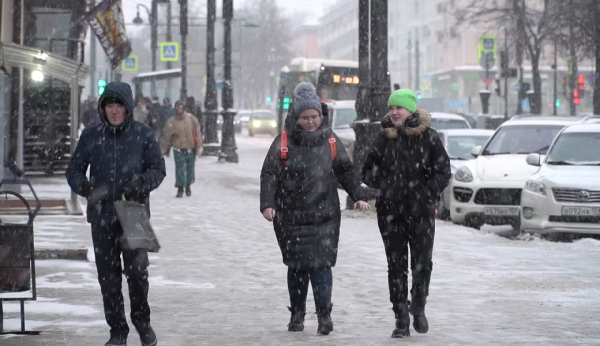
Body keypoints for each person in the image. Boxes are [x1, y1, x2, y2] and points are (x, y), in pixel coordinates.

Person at [260, 82, 370, 335]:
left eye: (314, 117)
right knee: (297, 267)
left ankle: (324, 316)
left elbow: (345, 171)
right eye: (305, 117)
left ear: (321, 116)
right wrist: (267, 204)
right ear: (296, 118)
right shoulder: (283, 141)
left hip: (325, 216)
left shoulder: (331, 140)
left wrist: (358, 195)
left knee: (322, 267)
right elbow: (269, 175)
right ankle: (297, 315)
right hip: (290, 217)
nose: (311, 122)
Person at [66, 82, 166, 346]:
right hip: (101, 216)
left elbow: (158, 169)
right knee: (108, 278)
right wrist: (86, 188)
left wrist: (141, 183)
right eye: (109, 105)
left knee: (137, 274)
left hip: (134, 214)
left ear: (128, 107)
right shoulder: (91, 135)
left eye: (119, 105)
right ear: (103, 107)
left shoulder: (143, 134)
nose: (114, 110)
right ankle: (117, 331)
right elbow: (74, 170)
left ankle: (142, 323)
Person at [362, 89, 451, 338]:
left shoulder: (430, 138)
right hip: (390, 212)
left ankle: (418, 307)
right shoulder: (384, 138)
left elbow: (443, 171)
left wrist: (425, 192)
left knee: (422, 265)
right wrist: (385, 182)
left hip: (421, 212)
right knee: (396, 266)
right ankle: (401, 318)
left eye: (399, 108)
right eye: (391, 108)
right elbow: (367, 170)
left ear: (411, 110)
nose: (394, 112)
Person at [160, 100, 202, 198]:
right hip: (178, 149)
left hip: (190, 148)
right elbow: (166, 137)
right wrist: (163, 149)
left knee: (190, 168)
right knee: (180, 169)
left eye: (181, 108)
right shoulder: (171, 122)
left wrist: (199, 144)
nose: (179, 110)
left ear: (184, 108)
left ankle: (188, 186)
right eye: (178, 108)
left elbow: (197, 130)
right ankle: (180, 188)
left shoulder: (191, 118)